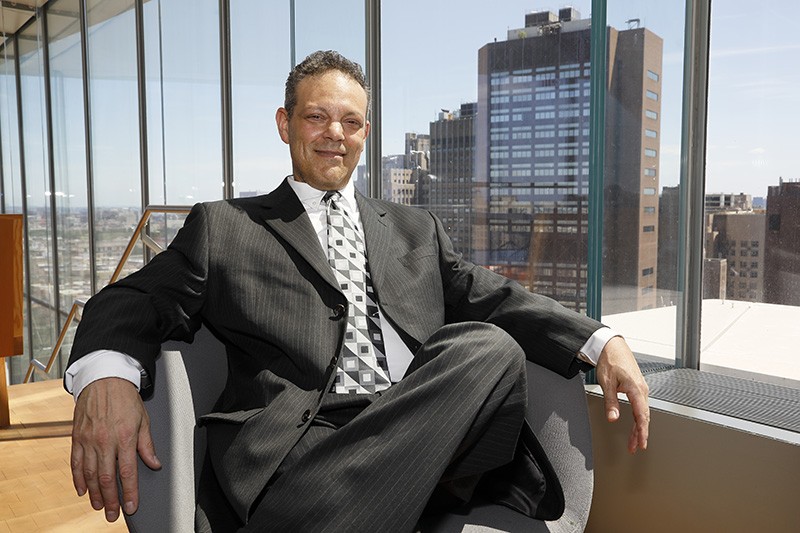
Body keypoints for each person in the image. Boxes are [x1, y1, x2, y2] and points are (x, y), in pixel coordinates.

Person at [65, 50, 649, 532]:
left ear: (366, 132)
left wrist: (601, 341)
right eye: (317, 117)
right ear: (285, 123)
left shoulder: (417, 228)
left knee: (488, 346)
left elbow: (495, 296)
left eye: (350, 121)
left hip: (418, 425)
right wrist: (107, 375)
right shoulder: (225, 227)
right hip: (300, 456)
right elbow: (132, 299)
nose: (334, 135)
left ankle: (386, 497)